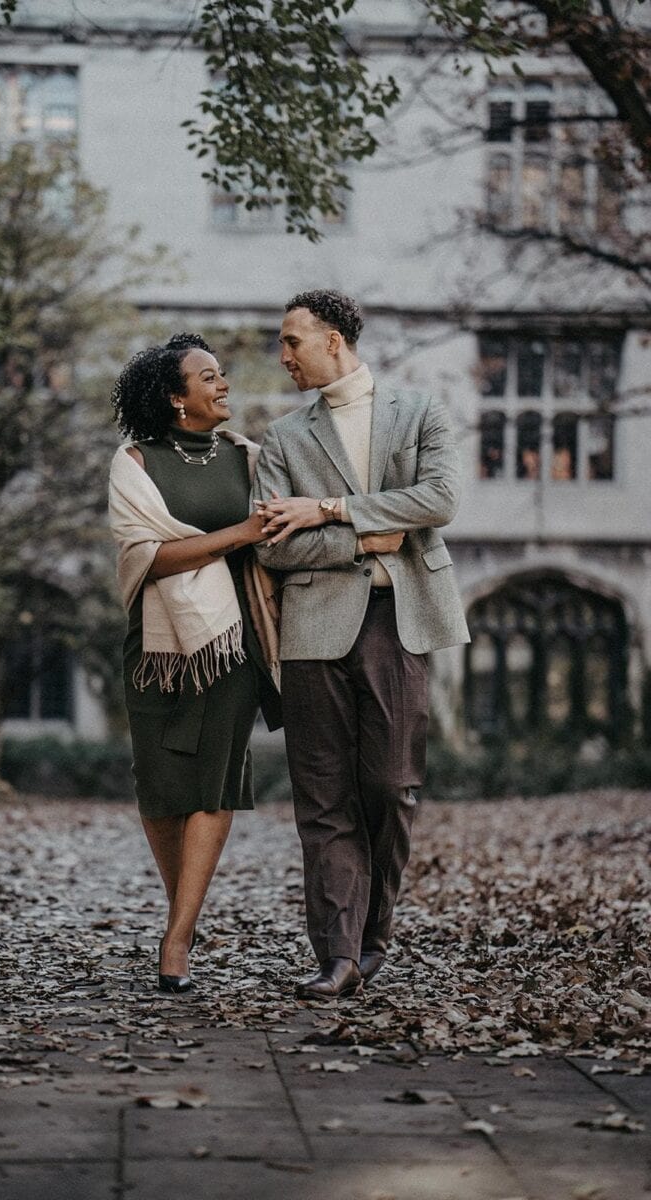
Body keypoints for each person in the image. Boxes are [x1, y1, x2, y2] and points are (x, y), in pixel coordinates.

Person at [253, 290, 470, 1000]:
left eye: (292, 342)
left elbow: (437, 499)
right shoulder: (283, 438)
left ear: (335, 340)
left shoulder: (420, 411)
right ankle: (337, 955)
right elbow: (276, 551)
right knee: (322, 796)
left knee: (388, 785)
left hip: (399, 622)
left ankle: (377, 931)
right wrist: (365, 536)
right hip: (313, 628)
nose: (283, 356)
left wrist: (329, 509)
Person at [108, 334, 281, 994]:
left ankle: (177, 937)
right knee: (158, 786)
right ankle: (183, 906)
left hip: (232, 642)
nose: (224, 384)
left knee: (213, 783)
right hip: (156, 646)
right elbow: (145, 556)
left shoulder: (251, 459)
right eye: (209, 376)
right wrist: (238, 535)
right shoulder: (135, 464)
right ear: (176, 398)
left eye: (222, 373)